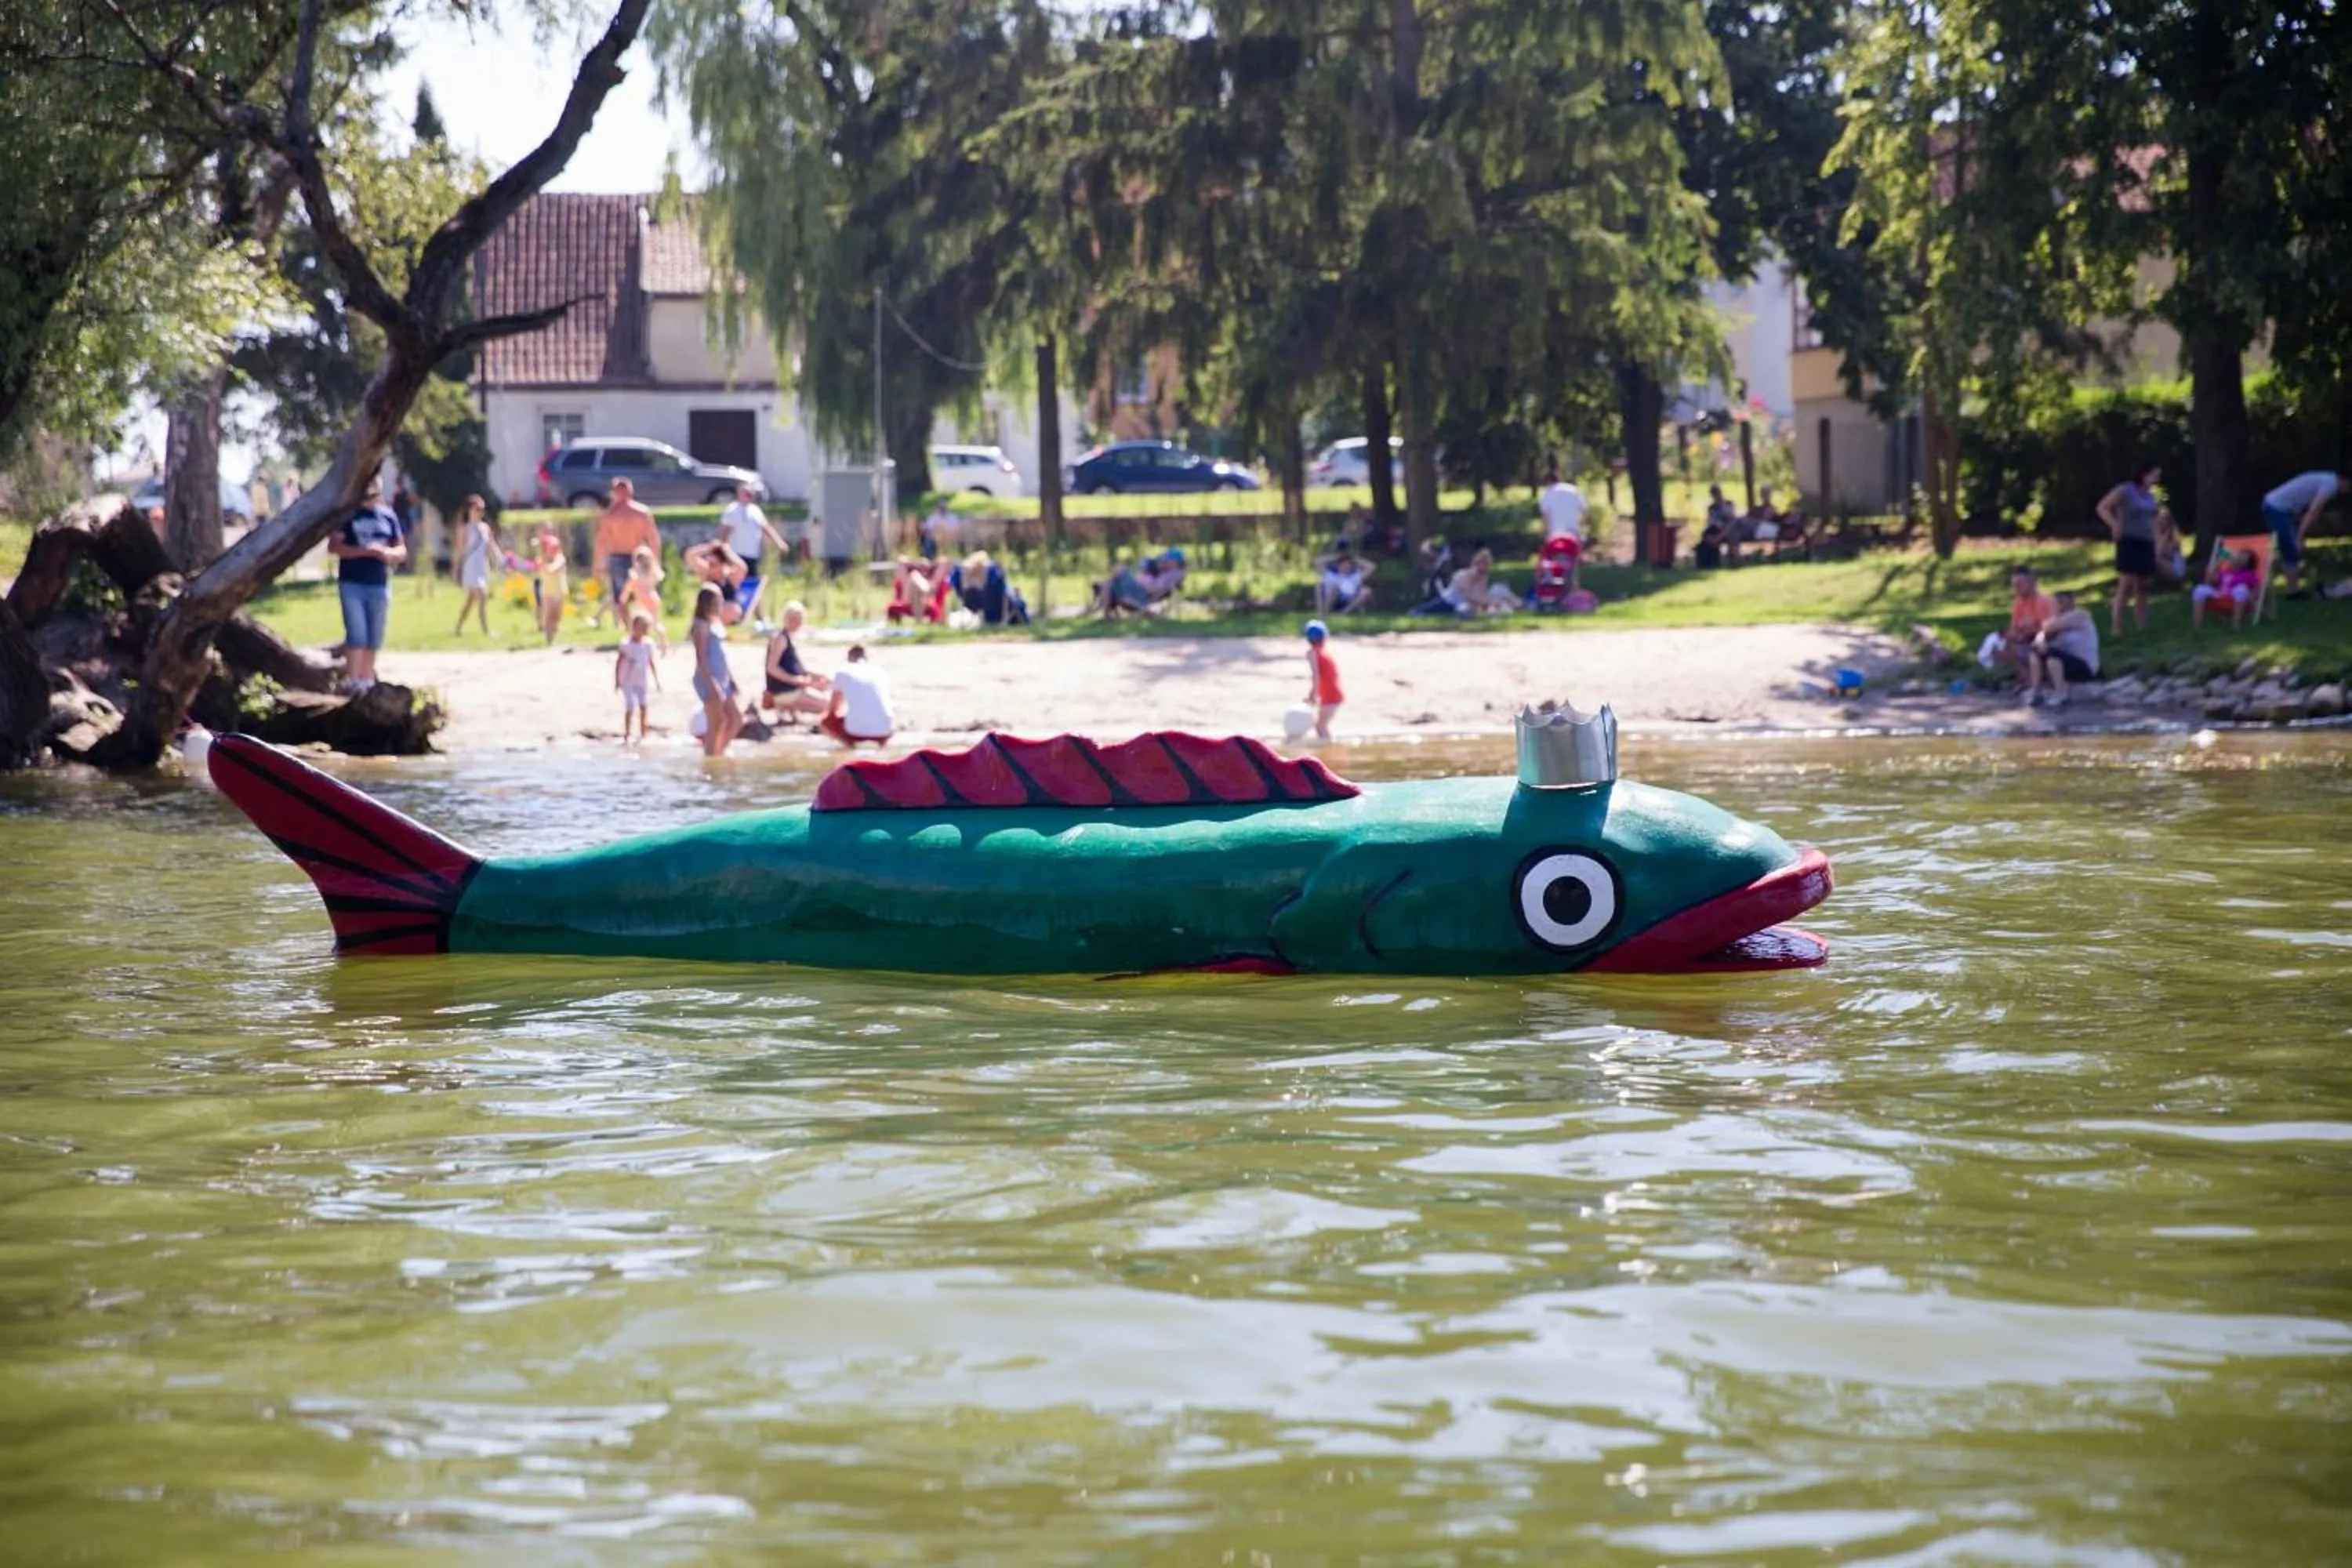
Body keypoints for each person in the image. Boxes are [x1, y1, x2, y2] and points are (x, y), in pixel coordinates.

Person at [327, 477, 407, 691]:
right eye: (366, 495)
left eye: (374, 495)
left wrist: (386, 553)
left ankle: (367, 680)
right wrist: (363, 551)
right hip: (352, 583)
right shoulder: (349, 516)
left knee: (374, 635)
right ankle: (353, 682)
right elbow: (334, 546)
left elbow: (401, 550)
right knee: (357, 634)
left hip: (379, 584)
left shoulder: (388, 516)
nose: (370, 500)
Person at [2097, 461, 2161, 635]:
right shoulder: (2126, 491)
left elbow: (2155, 520)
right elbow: (2102, 507)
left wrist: (2158, 544)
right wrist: (2114, 525)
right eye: (2154, 475)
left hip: (2146, 541)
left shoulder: (2151, 497)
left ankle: (2142, 624)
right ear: (2144, 475)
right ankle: (2116, 626)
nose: (2157, 479)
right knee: (2126, 583)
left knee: (2144, 584)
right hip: (2128, 540)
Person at [2261, 470, 2346, 595]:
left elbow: (2304, 502)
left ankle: (2295, 588)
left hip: (2281, 508)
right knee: (2291, 547)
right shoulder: (2330, 485)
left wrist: (2300, 535)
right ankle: (2293, 591)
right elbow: (2312, 512)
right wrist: (2299, 537)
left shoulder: (2326, 479)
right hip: (2277, 508)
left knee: (2292, 547)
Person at [719, 484, 791, 626]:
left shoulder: (755, 511)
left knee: (753, 587)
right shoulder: (732, 510)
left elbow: (766, 528)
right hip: (736, 555)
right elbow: (724, 532)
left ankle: (759, 618)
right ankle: (732, 616)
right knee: (733, 586)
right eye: (746, 493)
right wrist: (724, 551)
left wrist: (779, 542)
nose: (749, 496)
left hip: (751, 555)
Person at [593, 477, 659, 627]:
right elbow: (653, 539)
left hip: (624, 556)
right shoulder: (641, 512)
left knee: (622, 597)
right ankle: (636, 628)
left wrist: (598, 563)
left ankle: (631, 629)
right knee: (638, 595)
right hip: (638, 556)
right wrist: (656, 560)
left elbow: (601, 542)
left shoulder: (611, 515)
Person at [688, 583, 742, 757]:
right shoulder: (701, 625)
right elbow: (701, 658)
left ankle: (718, 752)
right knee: (716, 722)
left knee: (735, 718)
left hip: (723, 678)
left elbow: (721, 655)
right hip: (708, 678)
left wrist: (731, 678)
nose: (721, 604)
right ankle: (711, 756)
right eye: (717, 601)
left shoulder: (715, 623)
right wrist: (712, 684)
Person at [2022, 590, 2100, 706]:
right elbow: (2042, 634)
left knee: (2052, 656)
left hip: (2084, 665)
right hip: (2065, 663)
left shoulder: (2080, 615)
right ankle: (2036, 692)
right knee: (2036, 652)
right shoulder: (2054, 621)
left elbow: (2049, 627)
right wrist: (2040, 641)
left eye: (2059, 603)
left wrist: (2043, 635)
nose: (2055, 607)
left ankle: (2061, 693)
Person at [762, 601, 829, 723]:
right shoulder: (780, 639)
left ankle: (789, 710)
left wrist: (816, 677)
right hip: (785, 692)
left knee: (824, 695)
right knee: (827, 706)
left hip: (791, 689)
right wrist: (797, 681)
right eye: (796, 619)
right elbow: (772, 668)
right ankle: (786, 706)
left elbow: (796, 669)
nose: (799, 622)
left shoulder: (787, 638)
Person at [822, 643, 895, 746]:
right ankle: (881, 746)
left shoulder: (843, 671)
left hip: (856, 733)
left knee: (826, 720)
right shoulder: (879, 671)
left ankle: (849, 747)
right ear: (866, 657)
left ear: (848, 657)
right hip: (885, 731)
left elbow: (833, 708)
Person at [1996, 567, 2056, 678]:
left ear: (2032, 583)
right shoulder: (2018, 603)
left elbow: (2049, 630)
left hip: (2045, 642)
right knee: (2001, 647)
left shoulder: (2044, 602)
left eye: (2019, 585)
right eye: (2014, 586)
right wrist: (2009, 635)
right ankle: (2024, 679)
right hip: (2026, 641)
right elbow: (2015, 627)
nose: (2016, 589)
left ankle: (2035, 679)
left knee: (2017, 648)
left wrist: (2025, 635)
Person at [450, 494, 497, 636]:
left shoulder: (485, 528)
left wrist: (501, 561)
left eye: (483, 509)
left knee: (471, 601)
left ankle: (458, 628)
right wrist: (455, 571)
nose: (481, 512)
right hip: (470, 569)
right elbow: (458, 551)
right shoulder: (464, 528)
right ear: (470, 510)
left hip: (482, 567)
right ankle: (486, 631)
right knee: (482, 596)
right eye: (478, 509)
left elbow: (492, 546)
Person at [615, 612, 660, 746]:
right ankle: (627, 733)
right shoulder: (626, 644)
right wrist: (617, 680)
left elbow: (650, 662)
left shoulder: (648, 644)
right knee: (630, 706)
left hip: (642, 680)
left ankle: (643, 733)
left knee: (644, 706)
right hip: (628, 680)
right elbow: (619, 662)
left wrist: (656, 680)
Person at [682, 535, 750, 622]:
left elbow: (743, 568)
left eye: (713, 564)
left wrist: (727, 551)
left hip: (726, 610)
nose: (709, 565)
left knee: (734, 609)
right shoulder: (707, 573)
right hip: (708, 611)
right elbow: (689, 555)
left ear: (723, 563)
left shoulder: (730, 576)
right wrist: (708, 547)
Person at [2192, 547, 2263, 630]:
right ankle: (2197, 627)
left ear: (2248, 563)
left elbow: (2257, 587)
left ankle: (2235, 626)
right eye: (2239, 555)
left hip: (2237, 598)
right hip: (2222, 595)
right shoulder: (2226, 571)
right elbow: (2209, 579)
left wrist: (2254, 600)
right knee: (2199, 589)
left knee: (2241, 589)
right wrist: (2219, 562)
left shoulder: (2249, 574)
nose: (2239, 557)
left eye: (2243, 557)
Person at [951, 550, 1029, 625]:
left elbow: (955, 586)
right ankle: (1024, 620)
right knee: (1019, 603)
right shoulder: (992, 572)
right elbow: (1004, 591)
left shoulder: (961, 573)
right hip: (995, 605)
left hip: (970, 604)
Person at [619, 544, 668, 652]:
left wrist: (624, 596)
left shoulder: (637, 574)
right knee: (655, 623)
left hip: (643, 599)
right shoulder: (652, 572)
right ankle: (663, 645)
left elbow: (630, 586)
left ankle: (634, 646)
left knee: (638, 622)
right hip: (652, 598)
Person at [1302, 619, 1343, 741]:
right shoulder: (1324, 653)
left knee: (1320, 727)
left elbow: (1316, 675)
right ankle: (1329, 750)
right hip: (1333, 694)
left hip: (1330, 696)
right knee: (1320, 726)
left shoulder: (1313, 654)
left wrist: (1312, 695)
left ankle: (1329, 753)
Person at [530, 524, 568, 645]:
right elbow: (537, 567)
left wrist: (547, 566)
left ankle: (552, 637)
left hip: (560, 591)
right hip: (547, 593)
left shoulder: (560, 559)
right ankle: (548, 641)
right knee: (548, 617)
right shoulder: (541, 560)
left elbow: (554, 568)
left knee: (556, 617)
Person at [1538, 468, 1587, 547]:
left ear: (1547, 482)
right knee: (1573, 557)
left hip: (1555, 534)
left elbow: (1545, 516)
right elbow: (1584, 511)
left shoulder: (1546, 494)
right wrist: (1580, 526)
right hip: (1573, 532)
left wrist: (1545, 533)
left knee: (1554, 558)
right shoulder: (1573, 490)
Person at [1316, 550, 1374, 614]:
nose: (1346, 567)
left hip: (1349, 601)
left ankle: (1344, 613)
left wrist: (1354, 559)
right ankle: (1327, 612)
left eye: (1349, 565)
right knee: (1332, 589)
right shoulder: (1330, 575)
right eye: (1344, 564)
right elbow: (1317, 561)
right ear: (1338, 566)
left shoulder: (1354, 577)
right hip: (1333, 599)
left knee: (1366, 591)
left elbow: (1371, 566)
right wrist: (1337, 557)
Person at [1697, 485, 1735, 570]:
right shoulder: (1711, 508)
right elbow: (1710, 521)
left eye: (1717, 493)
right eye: (1714, 494)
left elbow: (1731, 519)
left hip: (1726, 529)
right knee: (1706, 537)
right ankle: (1706, 562)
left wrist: (1722, 506)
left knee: (1715, 537)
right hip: (1714, 528)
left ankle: (1714, 560)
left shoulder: (1728, 504)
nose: (1716, 496)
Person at [2154, 505, 2187, 586]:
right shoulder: (2156, 535)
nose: (2161, 523)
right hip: (2164, 567)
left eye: (2164, 520)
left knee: (2157, 560)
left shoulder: (2174, 538)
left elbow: (2159, 552)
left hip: (2176, 569)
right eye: (2159, 522)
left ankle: (2175, 584)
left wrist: (2167, 532)